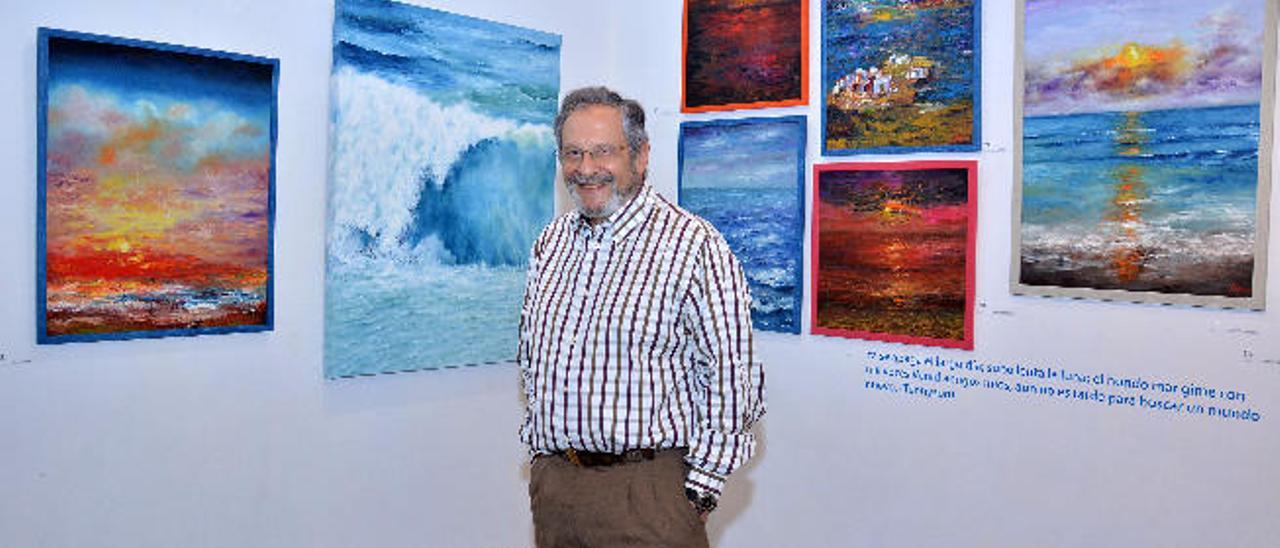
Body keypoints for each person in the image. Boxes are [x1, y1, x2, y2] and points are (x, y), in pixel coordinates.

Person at [517, 86, 766, 547]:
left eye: (603, 152)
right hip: (557, 494)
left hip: (649, 497)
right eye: (573, 153)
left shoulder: (694, 246)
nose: (586, 169)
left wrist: (699, 491)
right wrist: (542, 460)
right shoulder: (549, 244)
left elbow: (735, 379)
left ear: (641, 155)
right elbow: (533, 363)